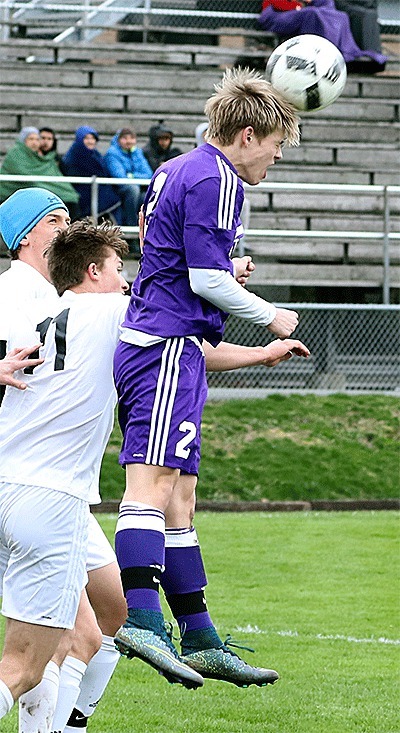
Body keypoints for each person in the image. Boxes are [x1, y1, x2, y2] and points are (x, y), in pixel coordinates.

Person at [112, 67, 302, 687]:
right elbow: (202, 280)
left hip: (170, 343)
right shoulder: (219, 177)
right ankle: (142, 618)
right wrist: (269, 315)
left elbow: (181, 258)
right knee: (152, 487)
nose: (275, 159)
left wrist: (226, 269)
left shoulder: (183, 168)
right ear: (248, 135)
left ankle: (199, 635)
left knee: (180, 501)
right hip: (166, 344)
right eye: (276, 146)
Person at [0, 191, 130, 731]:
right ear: (23, 237)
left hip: (40, 483)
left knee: (107, 616)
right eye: (53, 220)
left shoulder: (55, 298)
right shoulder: (15, 290)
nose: (65, 227)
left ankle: (62, 724)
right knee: (35, 658)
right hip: (37, 485)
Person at [259, 0, 387, 72]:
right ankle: (313, 58)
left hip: (309, 11)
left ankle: (339, 56)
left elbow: (327, 5)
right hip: (277, 14)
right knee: (312, 14)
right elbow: (276, 4)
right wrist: (301, 5)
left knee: (341, 16)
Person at [0, 127, 80, 214]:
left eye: (37, 139)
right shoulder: (15, 153)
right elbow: (24, 175)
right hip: (11, 193)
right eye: (31, 139)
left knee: (68, 194)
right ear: (23, 140)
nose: (34, 142)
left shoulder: (42, 157)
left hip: (41, 188)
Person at [62, 126, 122, 222]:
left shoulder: (95, 154)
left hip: (99, 190)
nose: (90, 141)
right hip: (84, 193)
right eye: (86, 138)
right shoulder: (73, 156)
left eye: (93, 138)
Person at [105, 127, 153, 227]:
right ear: (119, 140)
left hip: (138, 188)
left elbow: (149, 174)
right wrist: (136, 177)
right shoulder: (112, 153)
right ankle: (131, 224)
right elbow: (120, 177)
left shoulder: (137, 152)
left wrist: (132, 176)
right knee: (133, 189)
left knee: (147, 196)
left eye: (131, 138)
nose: (129, 141)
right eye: (125, 138)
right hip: (116, 189)